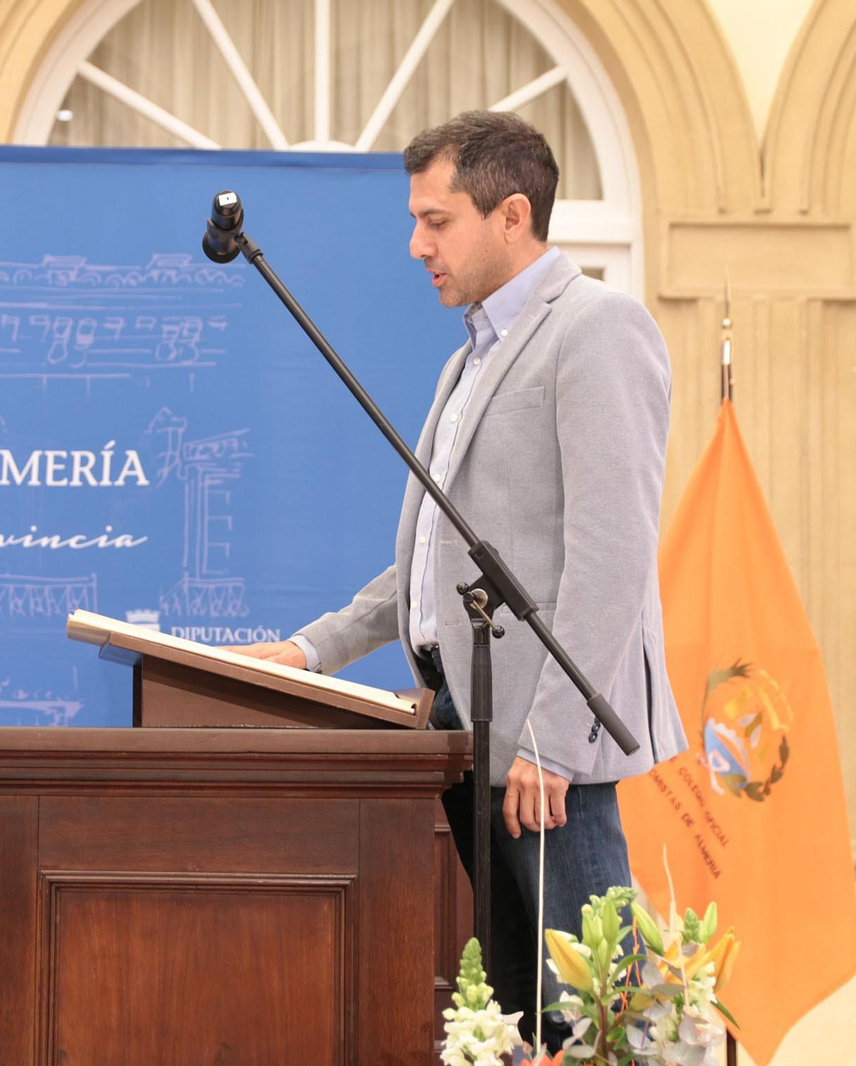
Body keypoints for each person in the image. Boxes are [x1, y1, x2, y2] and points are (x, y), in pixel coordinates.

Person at [225, 111, 685, 1051]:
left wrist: (554, 743)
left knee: (604, 1018)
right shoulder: (469, 355)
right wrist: (316, 646)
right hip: (470, 735)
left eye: (438, 221)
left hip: (549, 761)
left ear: (511, 213)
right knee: (515, 1012)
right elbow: (441, 552)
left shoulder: (597, 330)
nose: (415, 244)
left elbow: (612, 552)